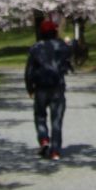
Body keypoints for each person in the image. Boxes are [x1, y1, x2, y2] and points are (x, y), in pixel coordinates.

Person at [25, 18, 73, 160]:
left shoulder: (35, 48)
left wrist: (29, 87)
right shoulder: (63, 46)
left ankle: (44, 139)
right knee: (56, 120)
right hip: (58, 87)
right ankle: (55, 151)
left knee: (40, 115)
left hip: (40, 87)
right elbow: (69, 58)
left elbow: (29, 70)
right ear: (55, 31)